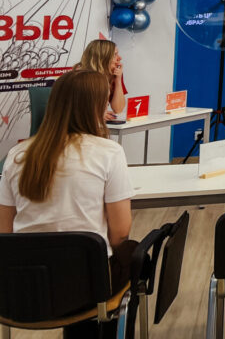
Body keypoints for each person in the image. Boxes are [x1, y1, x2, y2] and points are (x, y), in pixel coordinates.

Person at [0, 69, 135, 338]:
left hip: (22, 289)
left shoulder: (16, 156)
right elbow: (120, 234)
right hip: (86, 291)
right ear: (94, 107)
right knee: (135, 256)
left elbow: (4, 231)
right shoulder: (109, 153)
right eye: (104, 103)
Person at [77, 39, 126, 120]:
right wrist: (96, 115)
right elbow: (74, 110)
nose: (120, 58)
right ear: (103, 58)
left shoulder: (113, 74)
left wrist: (118, 80)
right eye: (115, 54)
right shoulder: (80, 77)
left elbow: (118, 109)